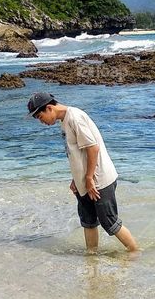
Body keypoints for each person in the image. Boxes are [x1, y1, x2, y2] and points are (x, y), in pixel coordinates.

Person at [28, 91, 139, 254]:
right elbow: (77, 154)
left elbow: (93, 148)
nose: (41, 122)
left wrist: (88, 178)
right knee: (88, 221)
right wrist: (76, 179)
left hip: (98, 180)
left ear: (49, 108)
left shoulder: (75, 118)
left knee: (109, 221)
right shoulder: (64, 120)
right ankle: (91, 257)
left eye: (40, 117)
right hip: (85, 181)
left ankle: (135, 252)